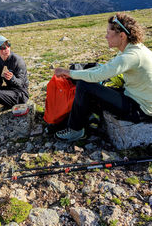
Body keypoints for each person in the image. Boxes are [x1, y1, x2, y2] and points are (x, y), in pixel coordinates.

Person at [54, 12, 152, 142]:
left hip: (140, 108)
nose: (106, 37)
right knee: (97, 85)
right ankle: (90, 119)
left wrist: (69, 73)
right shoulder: (133, 49)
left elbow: (98, 75)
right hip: (136, 97)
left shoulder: (130, 56)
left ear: (122, 35)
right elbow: (103, 68)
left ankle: (75, 130)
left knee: (85, 85)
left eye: (108, 33)